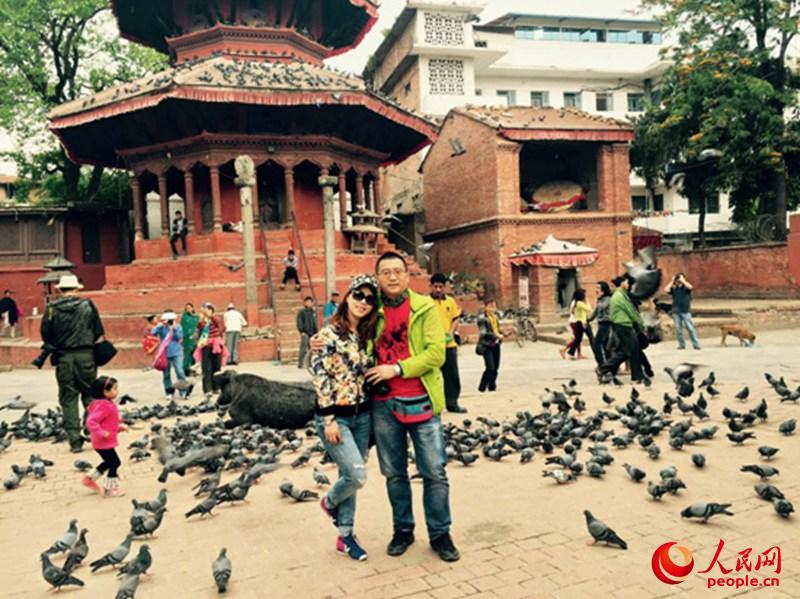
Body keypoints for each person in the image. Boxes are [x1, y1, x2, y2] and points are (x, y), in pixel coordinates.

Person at [368, 252, 458, 563]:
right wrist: (319, 342)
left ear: (408, 276)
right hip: (384, 405)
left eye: (398, 271)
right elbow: (345, 336)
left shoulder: (425, 308)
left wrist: (396, 369)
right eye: (386, 272)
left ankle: (440, 533)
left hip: (422, 400)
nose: (392, 277)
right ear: (377, 278)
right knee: (394, 473)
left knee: (434, 471)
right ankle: (403, 529)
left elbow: (436, 354)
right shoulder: (370, 310)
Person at [311, 275, 379, 561]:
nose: (363, 302)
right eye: (358, 295)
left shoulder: (367, 336)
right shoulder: (327, 335)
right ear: (348, 296)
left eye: (369, 299)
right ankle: (329, 503)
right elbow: (320, 378)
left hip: (362, 415)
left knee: (348, 475)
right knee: (356, 475)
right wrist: (328, 420)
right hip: (336, 418)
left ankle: (346, 537)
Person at [40, 274, 106, 453]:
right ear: (77, 289)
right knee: (90, 394)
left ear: (60, 289)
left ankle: (75, 441)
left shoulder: (52, 308)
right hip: (86, 356)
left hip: (63, 357)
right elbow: (98, 330)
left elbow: (45, 334)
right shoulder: (88, 305)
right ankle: (91, 428)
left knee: (68, 398)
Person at [598, 276, 649, 386]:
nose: (628, 284)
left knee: (632, 351)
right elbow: (631, 311)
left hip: (623, 325)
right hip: (624, 325)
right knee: (629, 351)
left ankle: (637, 377)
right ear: (622, 284)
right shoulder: (619, 296)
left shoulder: (620, 295)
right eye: (626, 282)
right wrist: (640, 324)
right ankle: (604, 368)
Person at [82, 376, 127, 497]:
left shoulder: (104, 403)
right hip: (102, 441)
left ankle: (89, 478)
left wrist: (118, 428)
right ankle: (110, 489)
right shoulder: (104, 405)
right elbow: (91, 422)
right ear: (105, 392)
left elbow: (107, 423)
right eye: (115, 388)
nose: (117, 391)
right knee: (115, 463)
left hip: (103, 441)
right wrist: (102, 433)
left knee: (108, 462)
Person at [430, 273, 465, 413]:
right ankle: (432, 405)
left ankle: (452, 403)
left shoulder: (450, 301)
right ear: (431, 286)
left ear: (445, 287)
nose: (438, 289)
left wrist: (451, 332)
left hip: (449, 345)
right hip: (432, 346)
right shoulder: (426, 302)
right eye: (435, 286)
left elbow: (455, 318)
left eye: (441, 287)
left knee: (451, 376)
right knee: (431, 377)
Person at [152, 310, 190, 400]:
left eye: (170, 320)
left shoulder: (178, 327)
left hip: (177, 352)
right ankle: (169, 392)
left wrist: (174, 328)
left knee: (180, 372)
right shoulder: (162, 328)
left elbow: (179, 337)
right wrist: (159, 326)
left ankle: (183, 391)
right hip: (165, 354)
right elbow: (153, 333)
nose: (169, 321)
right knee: (166, 374)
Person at [195, 302, 227, 399]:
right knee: (206, 368)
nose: (207, 311)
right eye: (206, 309)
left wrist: (211, 317)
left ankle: (216, 387)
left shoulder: (216, 319)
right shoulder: (202, 321)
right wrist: (203, 319)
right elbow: (199, 329)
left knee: (216, 367)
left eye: (209, 309)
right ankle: (207, 389)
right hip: (206, 345)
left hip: (216, 344)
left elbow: (221, 329)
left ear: (212, 310)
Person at [666, 272, 701, 350]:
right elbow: (666, 289)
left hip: (685, 311)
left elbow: (690, 287)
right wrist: (672, 281)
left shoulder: (685, 288)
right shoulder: (674, 288)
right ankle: (682, 345)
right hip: (675, 311)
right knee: (678, 330)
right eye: (678, 279)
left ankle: (696, 344)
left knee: (690, 328)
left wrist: (683, 281)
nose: (679, 280)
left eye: (680, 278)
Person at [476, 298, 503, 392]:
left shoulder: (495, 317)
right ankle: (482, 386)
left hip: (496, 344)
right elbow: (484, 333)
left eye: (494, 306)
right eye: (490, 306)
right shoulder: (482, 318)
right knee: (490, 367)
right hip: (487, 345)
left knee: (496, 367)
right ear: (486, 307)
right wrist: (496, 336)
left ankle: (492, 385)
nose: (492, 308)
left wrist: (503, 334)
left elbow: (497, 330)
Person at [560, 289, 591, 360]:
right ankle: (564, 349)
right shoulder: (576, 302)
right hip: (575, 322)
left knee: (578, 338)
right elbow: (573, 312)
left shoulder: (576, 302)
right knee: (577, 339)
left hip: (575, 321)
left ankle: (579, 354)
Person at [588, 282, 612, 365]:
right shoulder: (600, 300)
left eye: (598, 288)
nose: (596, 290)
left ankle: (602, 364)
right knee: (605, 344)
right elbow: (596, 311)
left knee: (597, 344)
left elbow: (602, 307)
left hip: (606, 323)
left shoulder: (608, 299)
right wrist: (589, 319)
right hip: (601, 323)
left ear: (603, 290)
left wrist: (599, 298)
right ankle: (610, 364)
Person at [296, 296, 318, 368]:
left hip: (312, 333)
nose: (309, 303)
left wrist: (316, 332)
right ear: (305, 303)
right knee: (303, 348)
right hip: (305, 333)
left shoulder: (313, 312)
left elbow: (315, 322)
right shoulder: (302, 312)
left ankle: (310, 363)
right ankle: (300, 363)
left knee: (311, 349)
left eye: (310, 302)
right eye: (307, 302)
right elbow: (299, 322)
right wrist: (301, 331)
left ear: (312, 303)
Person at [180, 303, 199, 373]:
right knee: (187, 355)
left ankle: (193, 370)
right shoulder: (184, 317)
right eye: (186, 308)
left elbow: (198, 327)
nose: (188, 309)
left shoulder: (196, 317)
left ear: (192, 308)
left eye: (189, 308)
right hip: (187, 339)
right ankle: (186, 370)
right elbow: (182, 328)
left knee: (194, 355)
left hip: (195, 339)